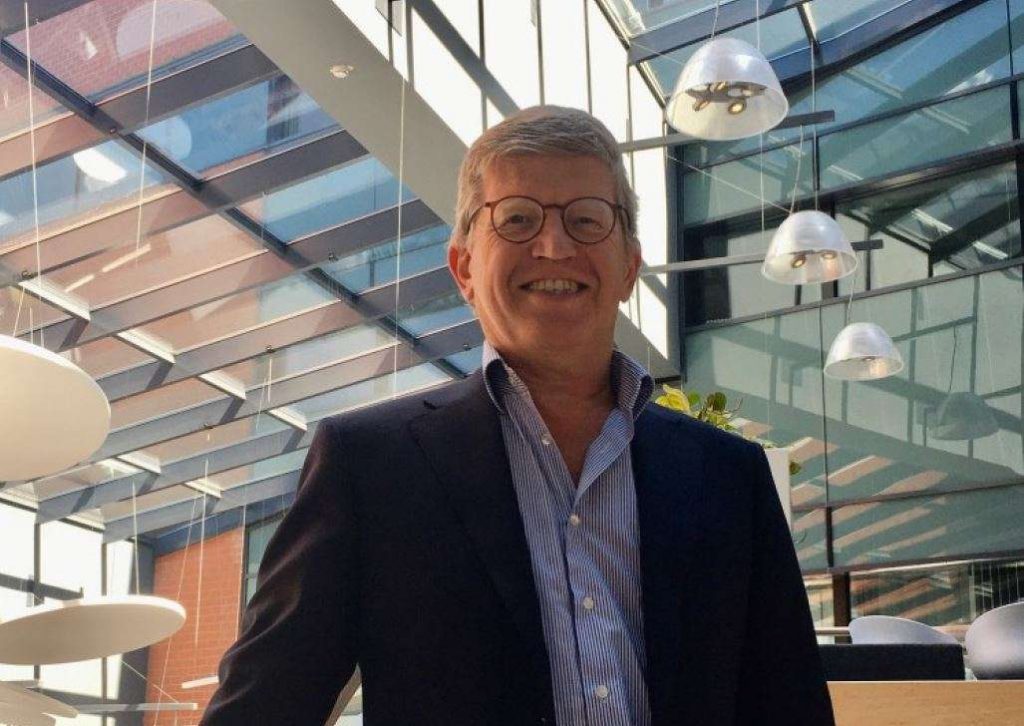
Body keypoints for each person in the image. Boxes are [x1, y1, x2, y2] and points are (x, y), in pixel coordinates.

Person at [201, 105, 834, 725]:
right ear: (464, 268)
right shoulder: (368, 466)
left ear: (629, 268)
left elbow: (789, 706)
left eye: (587, 220)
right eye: (518, 219)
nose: (554, 247)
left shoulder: (729, 475)